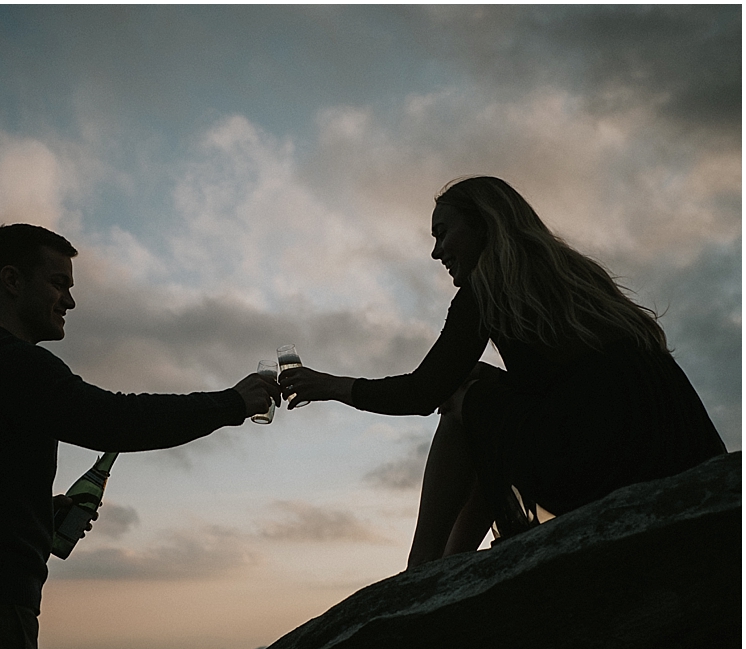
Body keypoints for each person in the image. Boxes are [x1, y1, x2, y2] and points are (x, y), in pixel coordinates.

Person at [279, 175, 727, 571]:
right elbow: (581, 381)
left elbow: (421, 393)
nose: (436, 252)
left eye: (443, 233)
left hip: (600, 461)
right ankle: (444, 566)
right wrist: (495, 381)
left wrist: (331, 386)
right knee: (481, 395)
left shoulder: (489, 285)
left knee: (462, 402)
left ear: (483, 224)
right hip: (679, 451)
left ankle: (423, 570)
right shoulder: (576, 275)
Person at [0, 223, 279, 649]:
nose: (70, 301)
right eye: (58, 284)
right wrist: (232, 403)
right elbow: (114, 420)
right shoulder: (13, 361)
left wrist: (36, 512)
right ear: (12, 280)